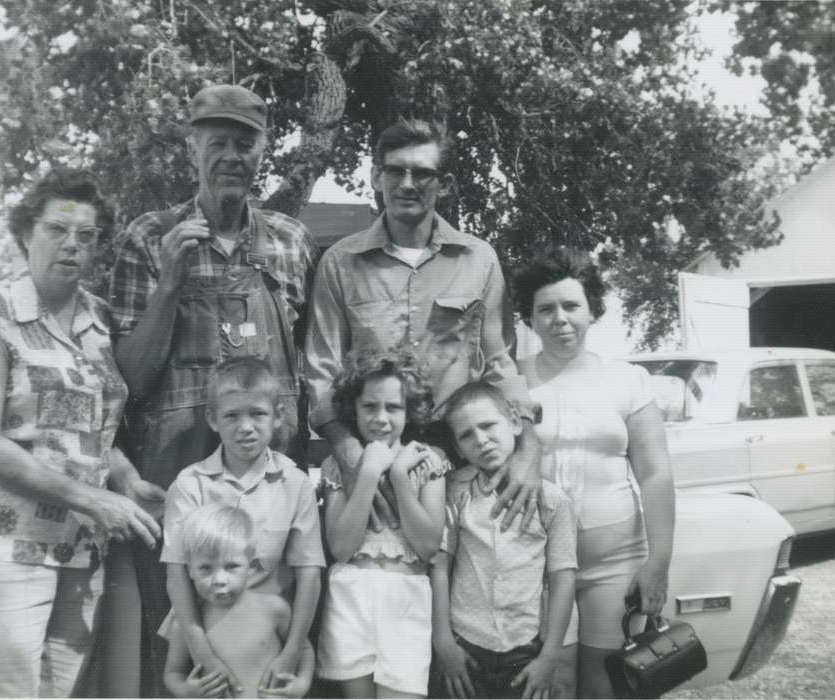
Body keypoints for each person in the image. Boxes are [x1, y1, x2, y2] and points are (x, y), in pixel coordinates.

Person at [107, 83, 319, 694]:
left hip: (273, 477)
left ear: (263, 153)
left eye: (244, 143)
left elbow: (307, 370)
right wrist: (170, 285)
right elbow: (126, 379)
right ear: (192, 147)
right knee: (180, 640)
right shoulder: (148, 238)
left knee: (269, 631)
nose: (231, 155)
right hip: (178, 476)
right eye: (217, 141)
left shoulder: (291, 240)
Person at [0, 168, 164, 697]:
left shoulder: (100, 319)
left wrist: (127, 482)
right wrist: (91, 498)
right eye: (56, 230)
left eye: (86, 236)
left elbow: (90, 429)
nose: (72, 246)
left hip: (79, 550)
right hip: (3, 548)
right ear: (25, 232)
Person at [305, 117, 541, 533]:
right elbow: (322, 370)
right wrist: (348, 453)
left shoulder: (479, 260)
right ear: (377, 177)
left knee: (453, 586)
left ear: (445, 184)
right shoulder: (340, 263)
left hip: (457, 457)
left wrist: (529, 450)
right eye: (395, 170)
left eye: (422, 173)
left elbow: (499, 365)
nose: (407, 184)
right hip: (368, 458)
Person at [513, 248, 676, 698]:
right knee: (553, 684)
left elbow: (656, 472)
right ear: (529, 318)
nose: (559, 318)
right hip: (536, 563)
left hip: (615, 561)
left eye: (571, 305)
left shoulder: (627, 380)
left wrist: (658, 563)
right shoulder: (510, 381)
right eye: (545, 309)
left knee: (608, 684)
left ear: (592, 311)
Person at [160, 357, 325, 697]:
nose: (245, 426)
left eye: (257, 414)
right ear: (212, 420)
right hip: (203, 631)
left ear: (278, 416)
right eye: (231, 415)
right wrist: (204, 656)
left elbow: (309, 574)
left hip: (266, 636)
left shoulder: (295, 484)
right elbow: (177, 575)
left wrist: (291, 655)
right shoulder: (191, 485)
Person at [430, 382, 578, 699]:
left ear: (513, 421)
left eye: (487, 426)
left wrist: (549, 656)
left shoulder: (553, 501)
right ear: (457, 448)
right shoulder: (455, 494)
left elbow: (563, 580)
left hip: (525, 649)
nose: (481, 440)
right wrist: (443, 642)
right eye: (467, 435)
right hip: (466, 646)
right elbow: (440, 567)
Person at [317, 344, 449, 698]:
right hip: (351, 594)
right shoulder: (338, 465)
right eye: (369, 406)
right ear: (353, 409)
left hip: (405, 596)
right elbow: (342, 548)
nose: (381, 418)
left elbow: (427, 546)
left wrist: (402, 478)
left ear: (410, 411)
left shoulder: (426, 461)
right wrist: (367, 474)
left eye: (393, 407)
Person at [163, 504, 315, 698]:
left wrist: (301, 684)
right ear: (190, 570)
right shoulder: (186, 624)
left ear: (250, 566)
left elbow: (303, 648)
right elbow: (173, 672)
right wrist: (185, 690)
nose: (219, 580)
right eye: (206, 568)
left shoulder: (273, 609)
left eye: (231, 566)